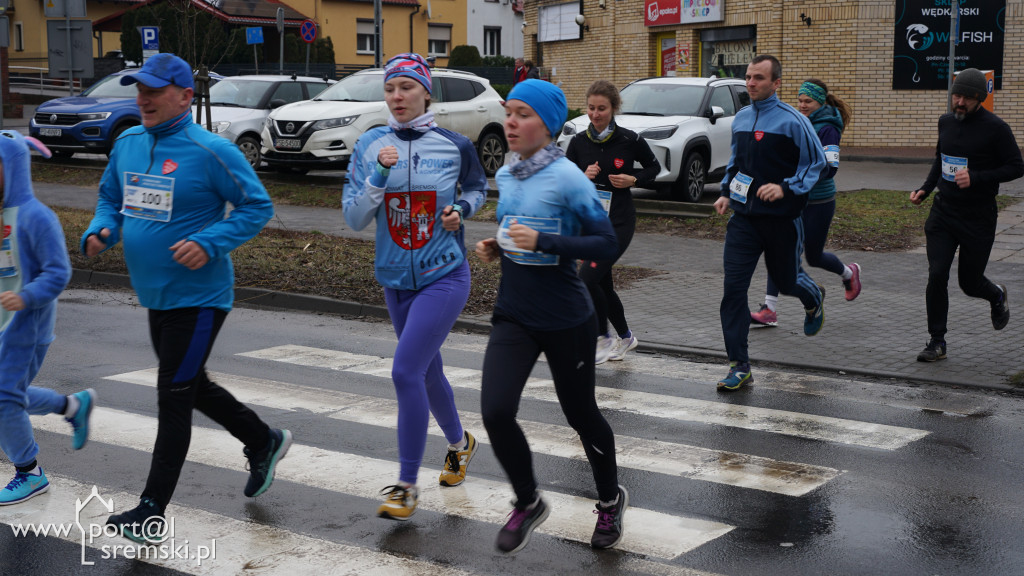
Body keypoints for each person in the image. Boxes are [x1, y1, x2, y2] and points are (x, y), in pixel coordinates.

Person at [82, 53, 291, 543]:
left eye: (154, 91)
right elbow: (111, 197)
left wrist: (209, 242)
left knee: (172, 397)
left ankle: (151, 511)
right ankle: (263, 440)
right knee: (190, 385)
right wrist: (102, 228)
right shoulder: (129, 142)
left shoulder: (212, 150)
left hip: (200, 299)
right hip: (155, 294)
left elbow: (257, 206)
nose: (144, 98)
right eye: (140, 90)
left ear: (184, 97)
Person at [476, 79, 627, 554]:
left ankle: (609, 500)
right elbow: (516, 226)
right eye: (509, 112)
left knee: (581, 415)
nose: (511, 122)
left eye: (522, 114)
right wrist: (498, 246)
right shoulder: (507, 172)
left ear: (548, 123)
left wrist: (546, 244)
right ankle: (527, 501)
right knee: (496, 411)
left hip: (566, 317)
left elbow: (605, 243)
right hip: (514, 311)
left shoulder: (568, 178)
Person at [343, 53, 485, 521]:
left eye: (406, 87)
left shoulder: (454, 144)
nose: (397, 96)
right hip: (395, 280)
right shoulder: (369, 144)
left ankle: (406, 485)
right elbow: (354, 218)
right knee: (426, 371)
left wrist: (460, 211)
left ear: (427, 93)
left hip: (445, 274)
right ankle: (459, 443)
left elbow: (478, 189)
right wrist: (378, 177)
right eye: (390, 89)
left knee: (405, 371)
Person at [714, 55, 827, 391]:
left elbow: (815, 164)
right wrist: (724, 193)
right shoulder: (742, 118)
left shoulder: (795, 121)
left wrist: (785, 187)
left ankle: (813, 298)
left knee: (788, 282)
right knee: (733, 291)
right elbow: (735, 163)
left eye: (759, 78)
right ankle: (739, 365)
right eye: (748, 77)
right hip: (743, 221)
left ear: (776, 83)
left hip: (782, 221)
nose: (751, 83)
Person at [0, 131, 95, 506]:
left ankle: (30, 472)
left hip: (27, 326)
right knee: (10, 394)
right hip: (3, 323)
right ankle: (72, 405)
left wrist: (26, 297)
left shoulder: (38, 218)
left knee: (4, 399)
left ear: (11, 167)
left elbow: (58, 272)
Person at [910, 68, 1024, 362]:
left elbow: (1016, 166)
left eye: (966, 98)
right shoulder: (945, 122)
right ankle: (937, 341)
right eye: (956, 95)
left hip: (978, 215)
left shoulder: (996, 128)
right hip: (944, 212)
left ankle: (997, 295)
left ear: (979, 99)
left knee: (969, 283)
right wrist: (925, 188)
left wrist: (978, 177)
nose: (959, 102)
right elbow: (941, 159)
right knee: (937, 274)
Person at [750, 78, 861, 327]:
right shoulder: (798, 122)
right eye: (799, 100)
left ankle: (849, 273)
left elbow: (830, 168)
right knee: (779, 250)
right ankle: (769, 309)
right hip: (793, 199)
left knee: (814, 256)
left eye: (807, 101)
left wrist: (801, 178)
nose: (802, 105)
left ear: (820, 101)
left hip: (819, 201)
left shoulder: (828, 128)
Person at [566, 80, 660, 363]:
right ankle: (626, 337)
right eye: (592, 108)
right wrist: (582, 176)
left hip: (618, 223)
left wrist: (634, 179)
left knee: (587, 279)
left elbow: (654, 168)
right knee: (601, 285)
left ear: (614, 108)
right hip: (591, 224)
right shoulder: (578, 143)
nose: (596, 115)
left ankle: (602, 337)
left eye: (602, 109)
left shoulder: (629, 140)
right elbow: (566, 182)